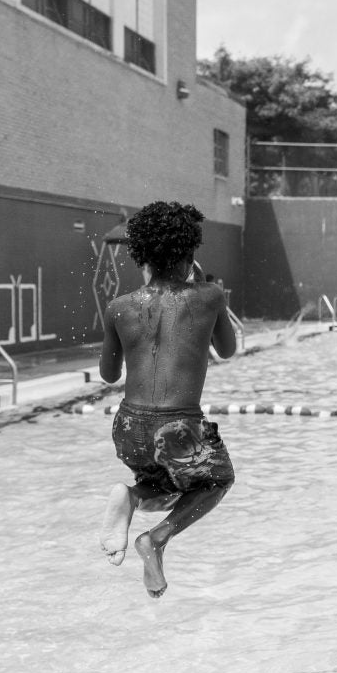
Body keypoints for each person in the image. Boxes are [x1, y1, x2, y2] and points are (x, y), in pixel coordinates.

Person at [97, 201, 238, 598]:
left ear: (142, 257)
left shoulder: (119, 307)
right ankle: (156, 539)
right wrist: (206, 285)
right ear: (190, 253)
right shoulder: (209, 296)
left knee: (165, 479)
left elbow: (109, 375)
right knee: (216, 479)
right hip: (178, 428)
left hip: (127, 428)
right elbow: (227, 350)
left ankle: (132, 495)